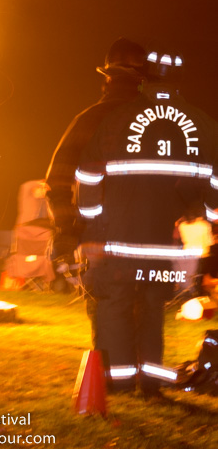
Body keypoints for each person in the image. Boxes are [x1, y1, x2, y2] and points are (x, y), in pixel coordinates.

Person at [74, 50, 218, 395]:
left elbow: (87, 174)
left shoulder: (117, 118)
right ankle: (149, 383)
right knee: (153, 308)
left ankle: (117, 381)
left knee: (115, 304)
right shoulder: (204, 125)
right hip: (167, 246)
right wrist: (209, 222)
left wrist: (93, 223)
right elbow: (215, 183)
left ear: (143, 79)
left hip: (120, 242)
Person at [46, 37, 149, 263]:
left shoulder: (89, 120)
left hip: (98, 241)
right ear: (144, 81)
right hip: (152, 240)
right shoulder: (164, 124)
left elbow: (58, 180)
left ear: (108, 79)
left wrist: (66, 228)